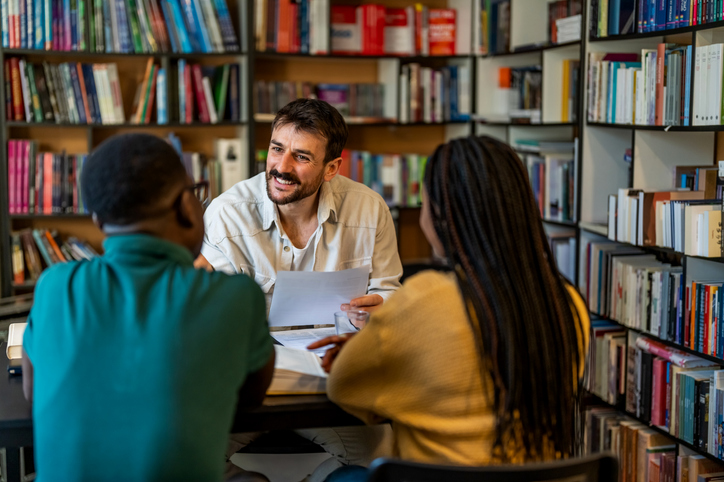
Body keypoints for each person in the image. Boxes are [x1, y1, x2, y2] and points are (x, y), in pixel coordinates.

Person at [309, 135, 590, 481]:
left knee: (338, 476)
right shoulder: (569, 303)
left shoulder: (425, 298)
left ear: (441, 215)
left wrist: (372, 352)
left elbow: (343, 387)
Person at [22, 133, 275, 482]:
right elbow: (249, 399)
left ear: (97, 220)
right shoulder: (236, 297)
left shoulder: (54, 286)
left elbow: (33, 392)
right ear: (186, 207)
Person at [196, 98, 401, 481]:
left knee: (382, 458)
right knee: (187, 455)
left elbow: (389, 292)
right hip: (250, 380)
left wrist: (382, 310)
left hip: (332, 376)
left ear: (332, 168)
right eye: (277, 149)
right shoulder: (226, 214)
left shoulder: (370, 210)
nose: (281, 167)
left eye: (301, 157)